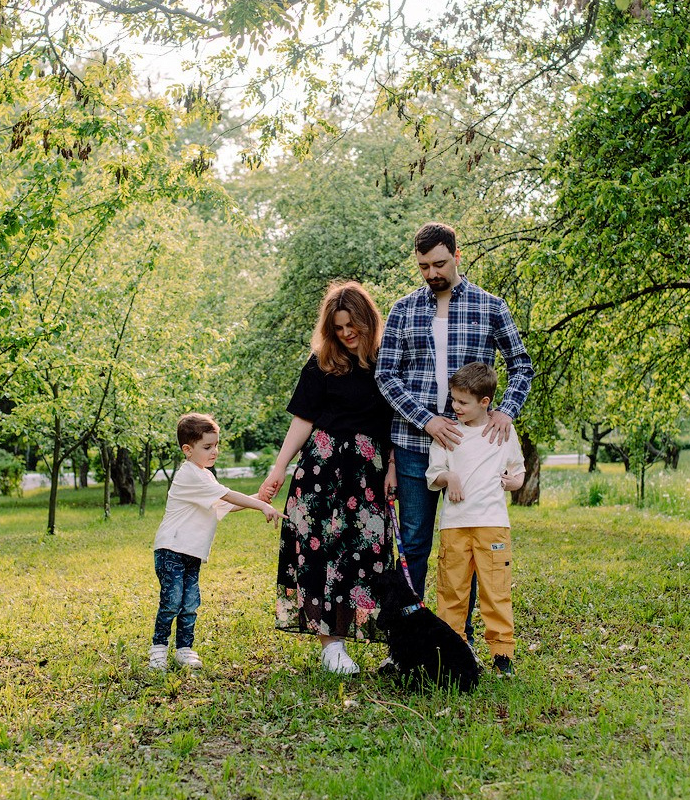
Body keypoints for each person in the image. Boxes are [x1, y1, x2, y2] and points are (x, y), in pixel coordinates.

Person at [375, 222, 533, 643]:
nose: (431, 273)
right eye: (423, 266)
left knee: (472, 549)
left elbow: (521, 365)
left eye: (439, 263)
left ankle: (456, 644)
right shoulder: (403, 310)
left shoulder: (490, 306)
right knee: (413, 544)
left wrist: (507, 412)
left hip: (473, 448)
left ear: (457, 256)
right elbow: (387, 376)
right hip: (414, 443)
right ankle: (406, 644)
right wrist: (426, 419)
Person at [258, 281, 396, 675]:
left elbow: (395, 423)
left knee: (368, 552)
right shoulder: (322, 361)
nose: (346, 333)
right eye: (338, 327)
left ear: (368, 320)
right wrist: (279, 466)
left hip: (367, 474)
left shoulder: (388, 360)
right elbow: (303, 417)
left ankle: (372, 635)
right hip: (321, 469)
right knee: (318, 551)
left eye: (353, 324)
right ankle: (330, 645)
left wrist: (391, 466)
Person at [148, 413, 284, 671]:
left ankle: (184, 650)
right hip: (171, 550)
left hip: (191, 552)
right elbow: (229, 495)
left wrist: (260, 497)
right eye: (207, 447)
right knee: (171, 602)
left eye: (216, 445)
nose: (215, 452)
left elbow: (225, 504)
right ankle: (158, 650)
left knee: (189, 604)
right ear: (187, 450)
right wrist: (260, 506)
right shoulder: (190, 475)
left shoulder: (205, 477)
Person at [425, 362, 525, 676]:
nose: (455, 407)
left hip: (493, 524)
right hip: (455, 526)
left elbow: (519, 472)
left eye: (462, 402)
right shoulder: (447, 433)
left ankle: (502, 654)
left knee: (496, 590)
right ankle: (453, 651)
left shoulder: (503, 432)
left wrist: (513, 482)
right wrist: (449, 477)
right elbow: (434, 473)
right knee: (452, 591)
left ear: (485, 402)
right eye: (453, 400)